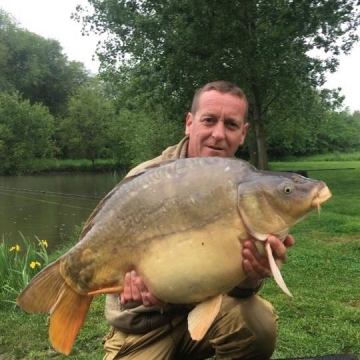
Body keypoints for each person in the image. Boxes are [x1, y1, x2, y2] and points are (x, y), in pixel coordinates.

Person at [103, 80, 295, 360]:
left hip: (210, 312)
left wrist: (253, 273)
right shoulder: (146, 180)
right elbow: (113, 255)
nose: (218, 134)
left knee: (258, 324)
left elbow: (238, 286)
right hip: (144, 327)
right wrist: (127, 289)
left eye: (230, 125)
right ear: (189, 123)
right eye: (209, 120)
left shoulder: (245, 186)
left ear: (243, 133)